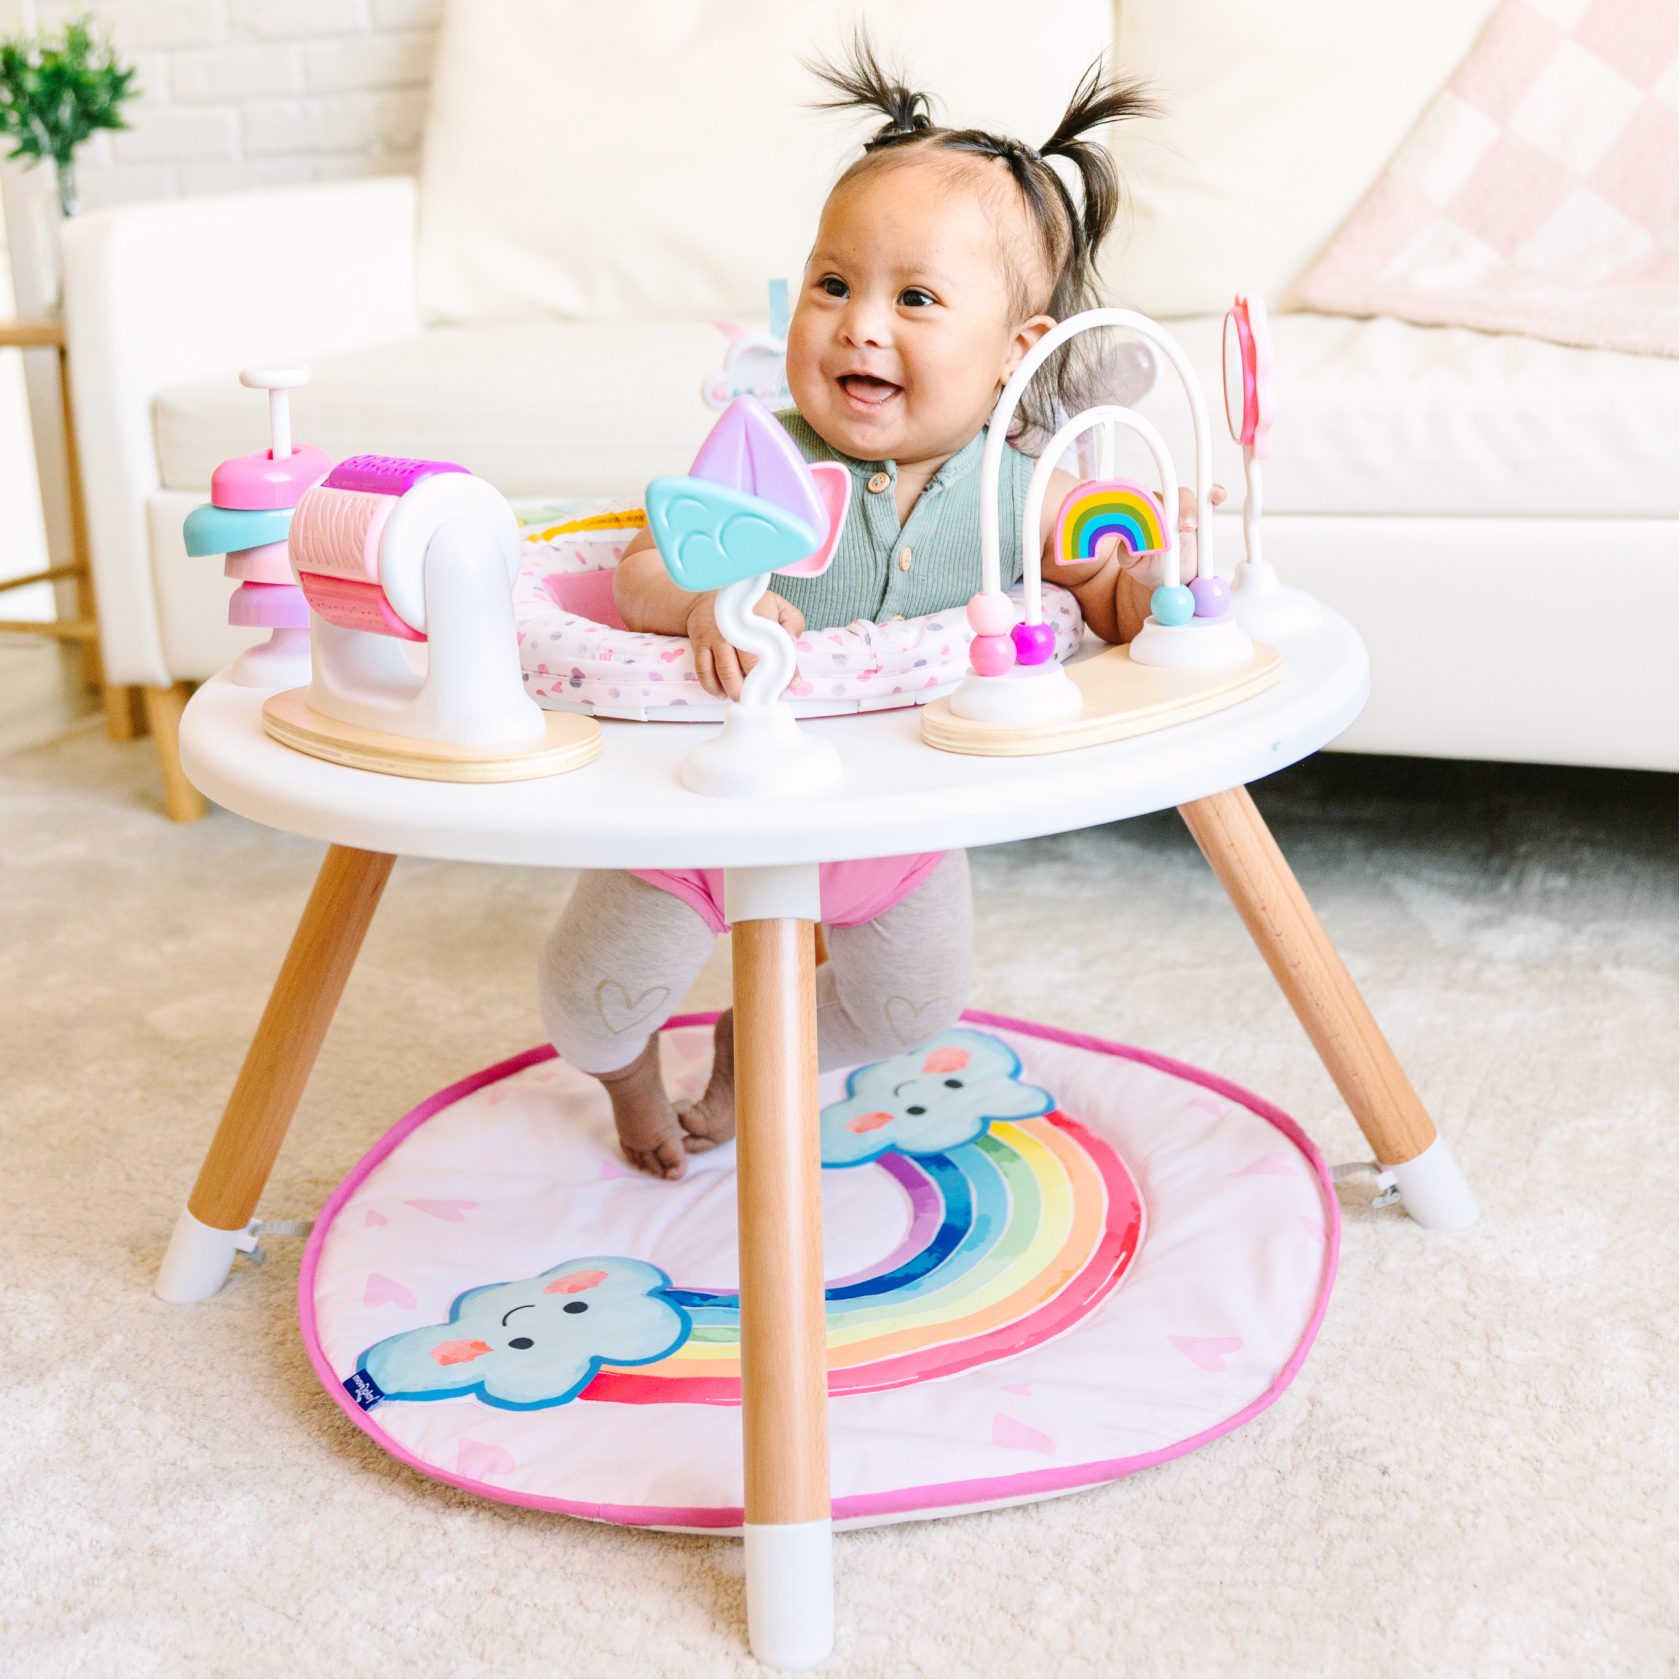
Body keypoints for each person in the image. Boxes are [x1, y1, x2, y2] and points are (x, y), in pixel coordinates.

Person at [540, 39, 1222, 1178]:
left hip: (901, 825)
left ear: (1019, 351)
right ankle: (625, 1083)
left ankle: (758, 1048)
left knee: (911, 1012)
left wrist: (1147, 588)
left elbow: (1096, 590)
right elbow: (638, 574)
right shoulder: (759, 453)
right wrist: (703, 598)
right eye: (833, 284)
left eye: (915, 299)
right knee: (591, 1002)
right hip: (702, 812)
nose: (861, 325)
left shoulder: (1025, 480)